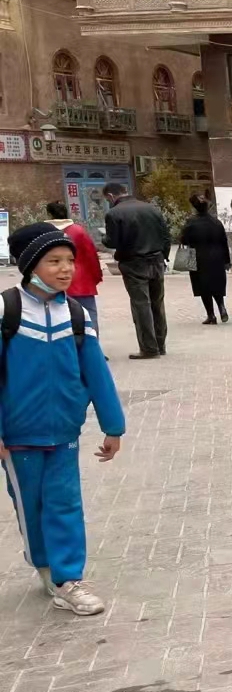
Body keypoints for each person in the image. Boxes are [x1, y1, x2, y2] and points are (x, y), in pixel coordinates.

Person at [2, 222, 125, 616]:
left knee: (65, 502)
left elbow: (96, 372)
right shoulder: (7, 311)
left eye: (69, 260)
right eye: (54, 261)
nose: (66, 268)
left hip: (65, 433)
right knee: (31, 506)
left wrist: (113, 426)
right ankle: (45, 564)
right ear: (30, 266)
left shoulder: (75, 314)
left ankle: (67, 578)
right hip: (17, 436)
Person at [100, 181, 169, 360]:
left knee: (141, 305)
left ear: (110, 196)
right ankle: (160, 345)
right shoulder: (151, 209)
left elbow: (112, 241)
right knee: (157, 303)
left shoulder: (114, 213)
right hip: (156, 260)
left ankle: (149, 348)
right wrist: (165, 256)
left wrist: (104, 239)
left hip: (133, 263)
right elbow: (166, 236)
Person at [44, 202, 103, 336]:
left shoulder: (44, 232)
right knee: (88, 317)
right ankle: (91, 346)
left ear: (49, 214)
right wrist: (96, 277)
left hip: (52, 283)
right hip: (82, 282)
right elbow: (91, 256)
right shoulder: (78, 231)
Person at [178, 194, 230, 325]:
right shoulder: (216, 222)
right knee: (216, 284)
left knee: (203, 287)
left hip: (198, 257)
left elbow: (184, 240)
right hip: (217, 257)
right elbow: (224, 242)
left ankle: (211, 315)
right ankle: (222, 307)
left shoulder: (191, 222)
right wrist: (227, 261)